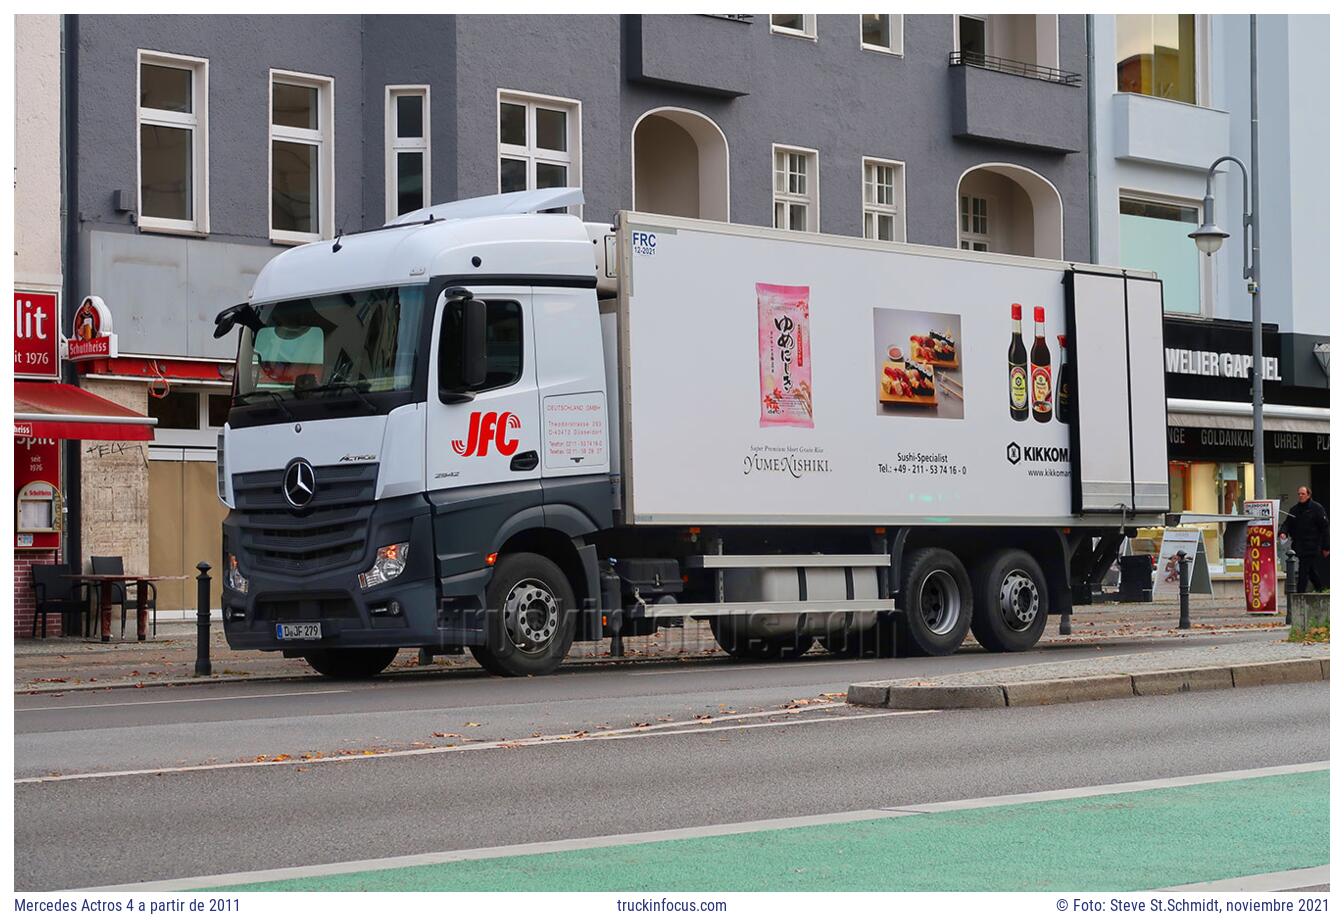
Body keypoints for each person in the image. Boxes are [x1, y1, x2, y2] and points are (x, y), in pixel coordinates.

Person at [1279, 486, 1329, 592]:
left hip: (1313, 545)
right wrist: (1283, 532)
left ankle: (1299, 594)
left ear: (1308, 495)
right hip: (1300, 545)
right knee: (1310, 570)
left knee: (1303, 570)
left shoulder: (1317, 508)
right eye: (1299, 494)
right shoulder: (1295, 509)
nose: (1300, 496)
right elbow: (1287, 523)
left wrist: (1326, 547)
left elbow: (1325, 528)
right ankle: (1321, 590)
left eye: (1303, 494)